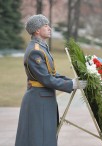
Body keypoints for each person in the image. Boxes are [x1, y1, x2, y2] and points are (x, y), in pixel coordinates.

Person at [15, 14, 87, 146]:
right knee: (38, 139)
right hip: (38, 100)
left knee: (45, 138)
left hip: (44, 99)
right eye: (45, 25)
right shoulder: (35, 51)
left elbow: (51, 73)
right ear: (37, 30)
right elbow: (46, 79)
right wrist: (70, 84)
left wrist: (70, 80)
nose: (49, 28)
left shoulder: (42, 48)